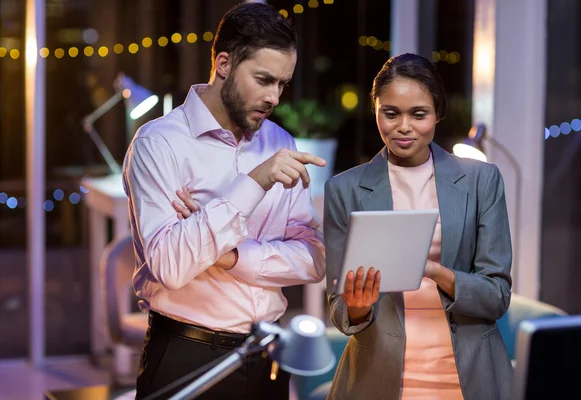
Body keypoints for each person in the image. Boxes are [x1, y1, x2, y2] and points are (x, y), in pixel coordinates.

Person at [122, 3, 327, 399]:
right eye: (263, 79)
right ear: (223, 63)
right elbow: (170, 265)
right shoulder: (159, 143)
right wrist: (253, 182)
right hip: (186, 353)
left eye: (282, 84)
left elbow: (313, 257)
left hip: (267, 355)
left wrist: (227, 254)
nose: (273, 97)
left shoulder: (280, 142)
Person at [323, 53, 513, 400]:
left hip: (469, 373)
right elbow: (339, 310)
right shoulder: (344, 190)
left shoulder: (481, 180)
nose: (403, 126)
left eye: (418, 114)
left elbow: (497, 296)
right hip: (378, 374)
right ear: (376, 111)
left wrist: (436, 272)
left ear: (438, 113)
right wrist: (358, 305)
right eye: (390, 113)